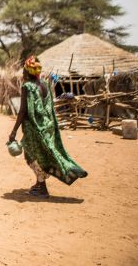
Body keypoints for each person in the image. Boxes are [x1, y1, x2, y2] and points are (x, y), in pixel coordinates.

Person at [8, 55, 88, 198]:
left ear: (28, 72)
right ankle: (40, 184)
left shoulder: (28, 87)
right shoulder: (44, 84)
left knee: (31, 156)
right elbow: (49, 106)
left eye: (25, 71)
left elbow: (22, 111)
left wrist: (13, 132)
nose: (23, 74)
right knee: (45, 154)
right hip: (47, 125)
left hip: (34, 128)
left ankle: (42, 187)